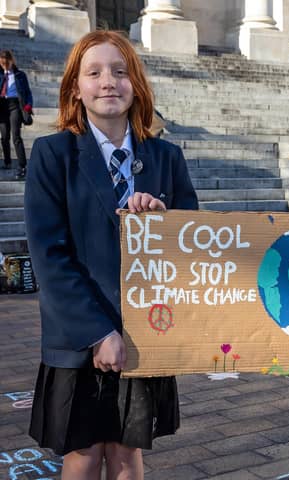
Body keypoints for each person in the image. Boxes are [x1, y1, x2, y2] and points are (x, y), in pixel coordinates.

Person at [24, 31, 198, 479]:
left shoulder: (166, 157)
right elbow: (50, 255)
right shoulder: (52, 154)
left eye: (120, 72)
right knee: (83, 455)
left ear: (136, 84)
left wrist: (163, 221)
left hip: (144, 331)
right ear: (74, 87)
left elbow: (194, 244)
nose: (108, 82)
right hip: (79, 335)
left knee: (127, 453)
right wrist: (99, 333)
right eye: (94, 72)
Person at [0, 50, 33, 179]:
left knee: (16, 136)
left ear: (11, 61)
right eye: (2, 64)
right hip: (2, 106)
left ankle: (22, 166)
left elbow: (28, 93)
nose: (5, 66)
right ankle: (7, 162)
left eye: (6, 63)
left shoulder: (20, 75)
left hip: (15, 106)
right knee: (4, 137)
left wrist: (28, 105)